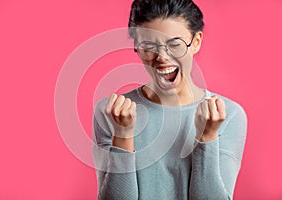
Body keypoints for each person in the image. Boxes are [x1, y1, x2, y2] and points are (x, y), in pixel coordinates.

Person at [92, 0, 247, 199]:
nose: (162, 58)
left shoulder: (228, 115)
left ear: (196, 42)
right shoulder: (112, 112)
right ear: (137, 48)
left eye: (175, 44)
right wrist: (122, 135)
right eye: (148, 46)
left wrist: (207, 138)